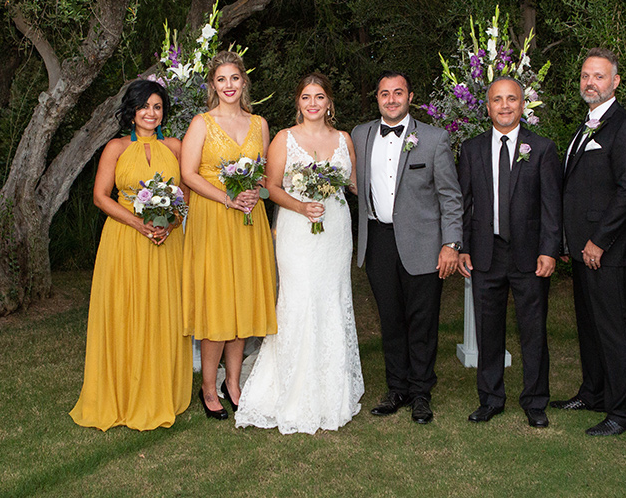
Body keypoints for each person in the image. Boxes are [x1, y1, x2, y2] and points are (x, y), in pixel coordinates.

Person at [236, 73, 364, 434]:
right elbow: (271, 188)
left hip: (336, 231)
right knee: (299, 299)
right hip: (297, 230)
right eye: (306, 97)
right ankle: (292, 391)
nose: (312, 103)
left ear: (329, 103)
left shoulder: (343, 139)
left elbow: (355, 183)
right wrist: (300, 205)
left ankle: (331, 392)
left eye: (319, 96)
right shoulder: (283, 139)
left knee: (333, 300)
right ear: (298, 103)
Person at [70, 79, 192, 431]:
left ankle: (160, 390)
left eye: (157, 107)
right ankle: (124, 392)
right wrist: (139, 224)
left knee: (163, 313)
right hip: (125, 240)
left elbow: (184, 190)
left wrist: (169, 224)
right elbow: (100, 196)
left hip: (167, 242)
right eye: (144, 106)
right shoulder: (116, 147)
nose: (151, 113)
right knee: (125, 311)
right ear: (131, 111)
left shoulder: (175, 146)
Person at [351, 71, 463, 424]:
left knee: (422, 321)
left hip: (424, 243)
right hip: (378, 240)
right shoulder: (360, 135)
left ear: (410, 96)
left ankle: (420, 393)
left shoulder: (433, 139)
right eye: (384, 93)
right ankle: (396, 388)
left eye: (398, 92)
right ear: (378, 99)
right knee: (390, 319)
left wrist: (451, 244)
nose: (391, 99)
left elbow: (450, 196)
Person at [457, 77, 562, 428]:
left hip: (530, 255)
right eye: (497, 100)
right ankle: (490, 398)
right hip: (486, 254)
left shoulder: (543, 149)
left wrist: (550, 250)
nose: (504, 106)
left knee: (533, 329)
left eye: (511, 99)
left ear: (522, 105)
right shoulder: (471, 149)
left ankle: (535, 401)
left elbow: (551, 206)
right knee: (488, 330)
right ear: (487, 107)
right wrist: (463, 249)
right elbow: (465, 204)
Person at [553, 47, 626, 436]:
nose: (590, 82)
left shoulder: (625, 126)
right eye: (585, 76)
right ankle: (593, 392)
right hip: (581, 249)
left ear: (616, 81)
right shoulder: (587, 126)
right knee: (589, 326)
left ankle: (624, 411)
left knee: (615, 329)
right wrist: (568, 240)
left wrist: (599, 241)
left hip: (607, 251)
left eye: (599, 76)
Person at [181, 51, 277, 421]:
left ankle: (233, 383)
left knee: (241, 301)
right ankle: (208, 386)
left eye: (234, 78)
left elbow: (264, 175)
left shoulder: (260, 124)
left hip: (247, 222)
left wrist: (255, 191)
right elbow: (189, 173)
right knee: (217, 303)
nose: (229, 86)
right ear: (212, 85)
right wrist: (226, 197)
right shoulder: (201, 123)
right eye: (221, 80)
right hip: (213, 219)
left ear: (244, 82)